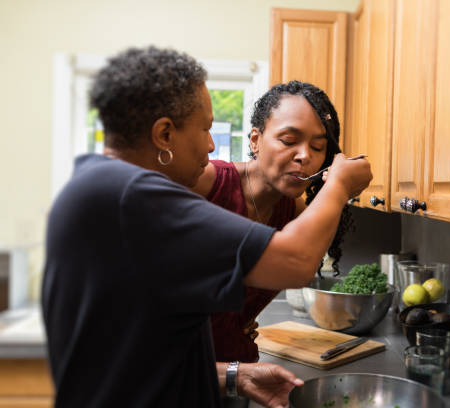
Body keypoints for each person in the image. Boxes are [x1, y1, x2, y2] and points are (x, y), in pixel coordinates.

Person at [41, 46, 372, 408]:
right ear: (165, 135)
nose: (212, 144)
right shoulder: (131, 196)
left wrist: (236, 374)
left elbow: (136, 352)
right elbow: (294, 261)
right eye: (205, 128)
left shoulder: (104, 187)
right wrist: (338, 185)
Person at [192, 81, 352, 367]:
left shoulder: (296, 213)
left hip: (238, 370)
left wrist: (236, 321)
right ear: (255, 141)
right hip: (181, 372)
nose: (305, 156)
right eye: (289, 141)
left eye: (317, 146)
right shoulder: (206, 183)